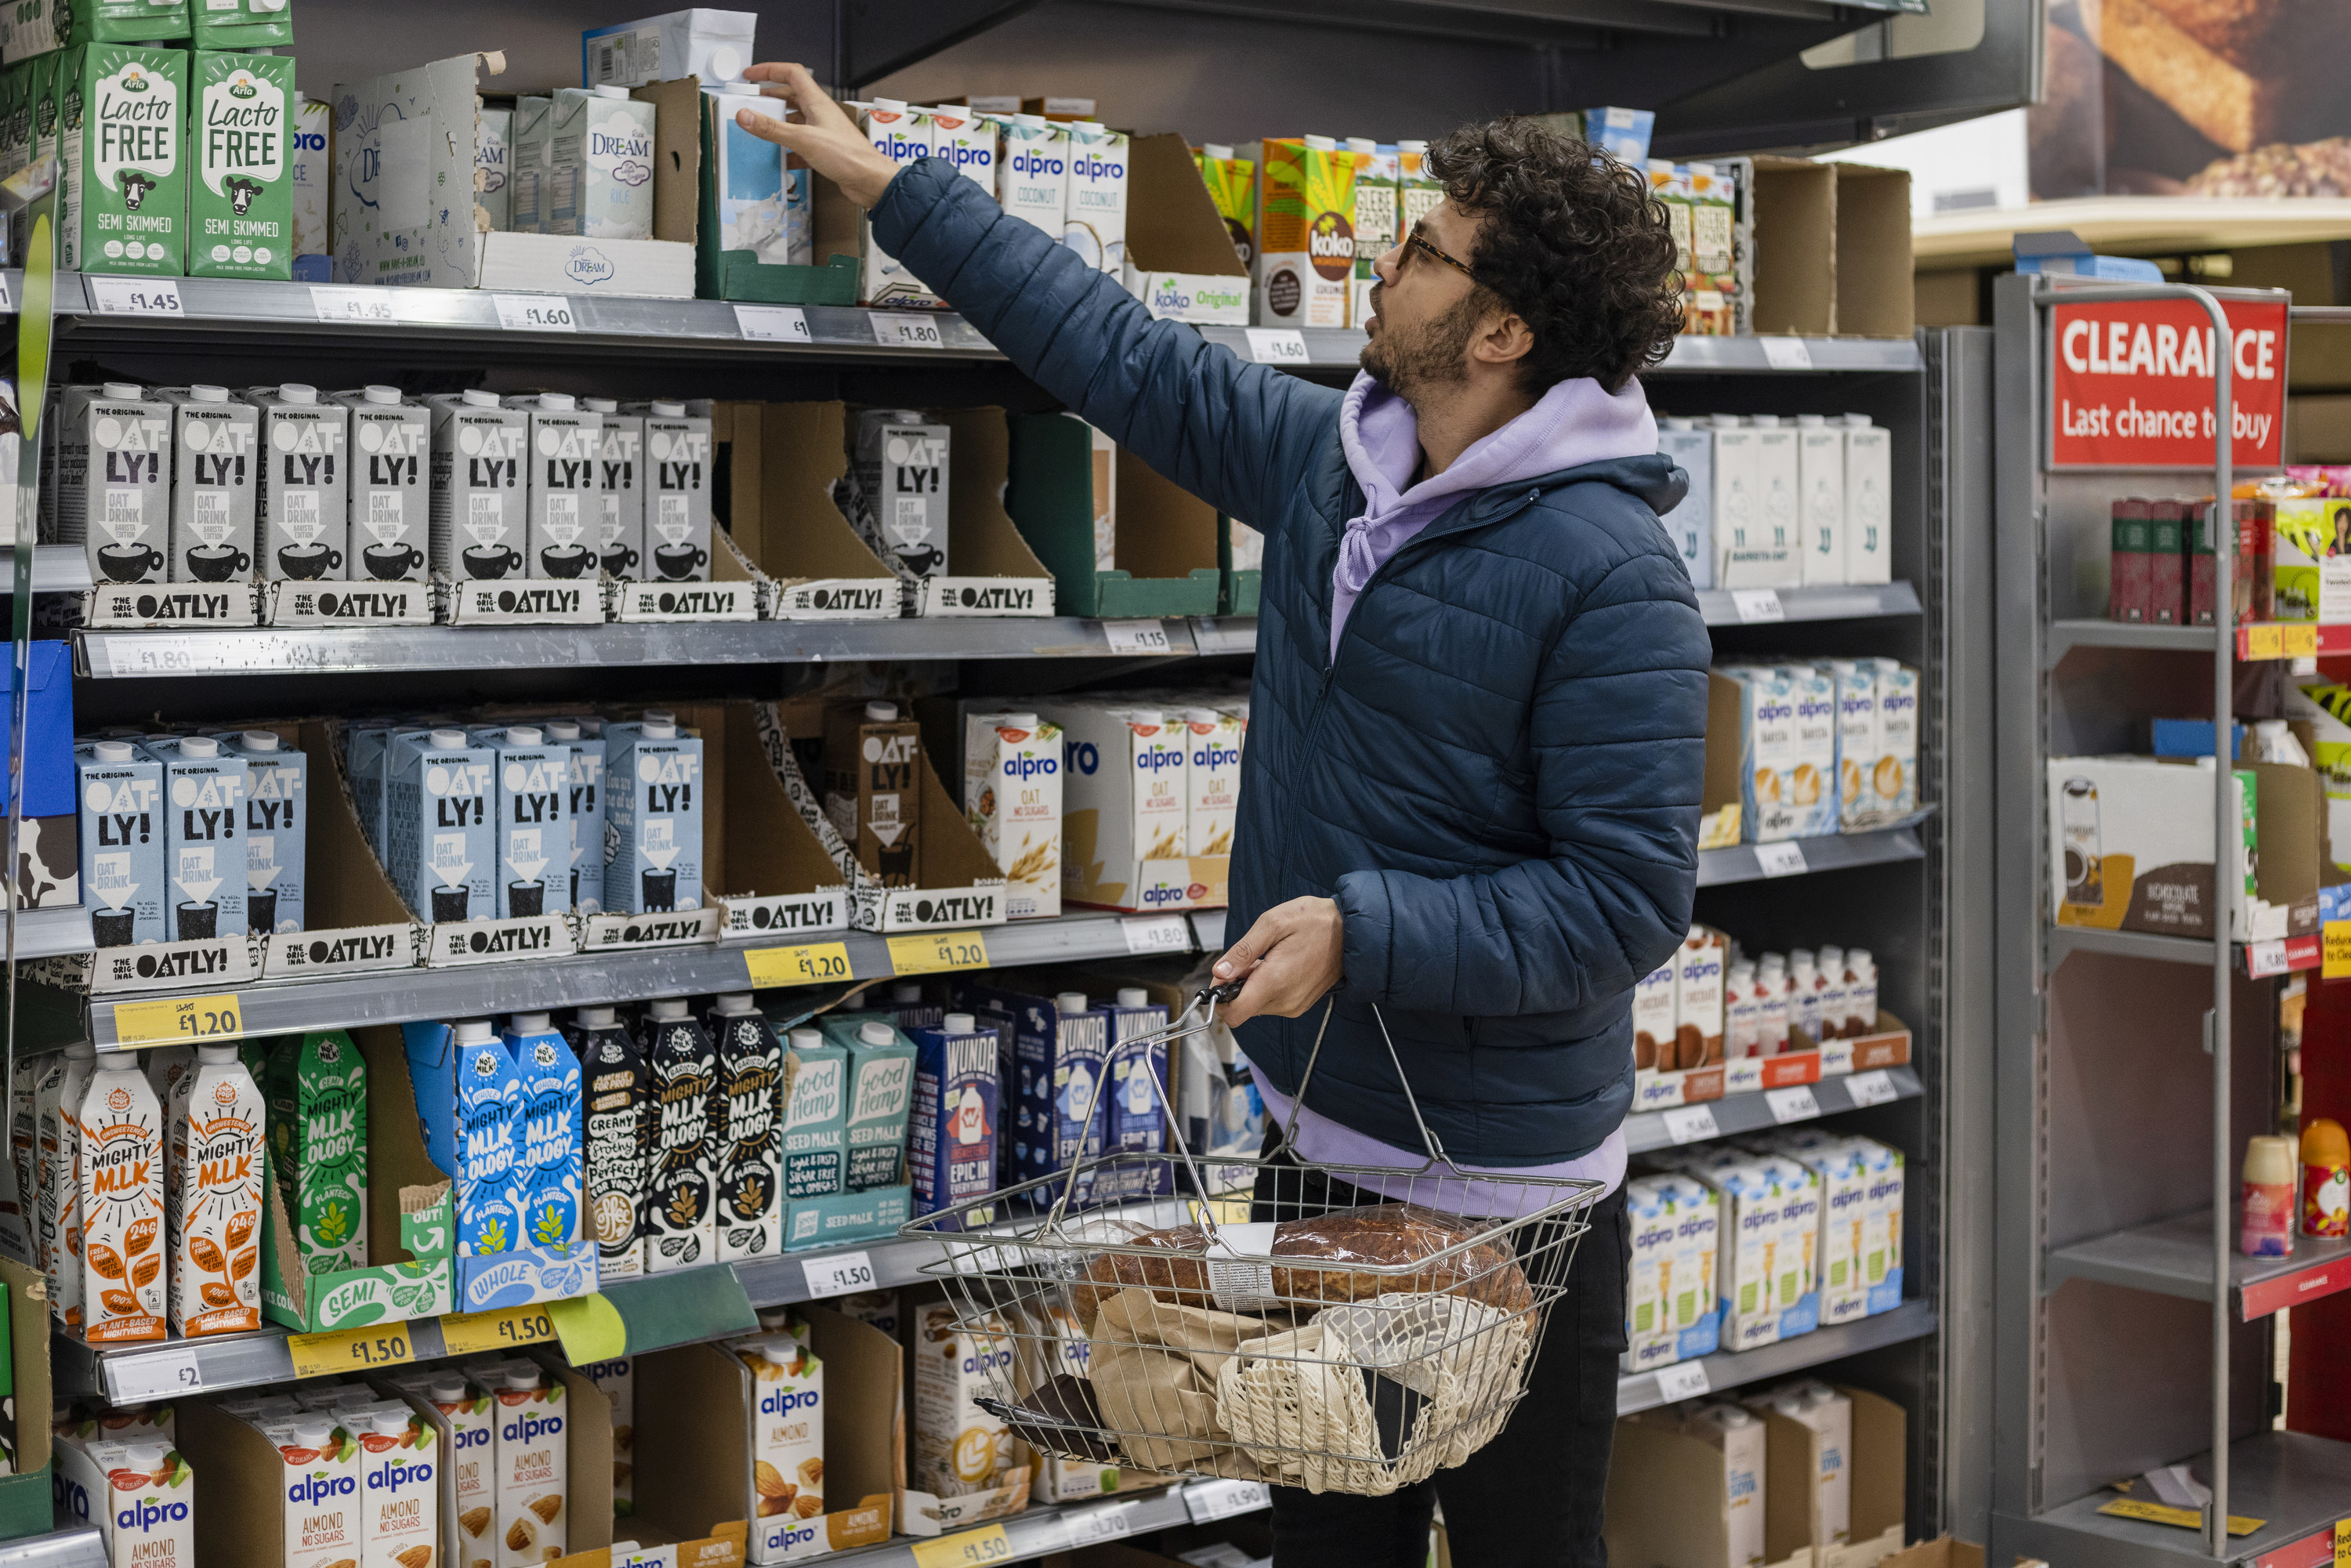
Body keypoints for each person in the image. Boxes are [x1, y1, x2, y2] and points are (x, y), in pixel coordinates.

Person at [736, 70, 1709, 1568]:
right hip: (1323, 1148)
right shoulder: (1347, 462)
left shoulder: (1611, 571)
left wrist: (1362, 930)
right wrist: (889, 181)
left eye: (1428, 251)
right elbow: (1129, 358)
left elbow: (1626, 899)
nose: (1384, 261)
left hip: (1510, 1207)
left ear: (1505, 331)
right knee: (1327, 1554)